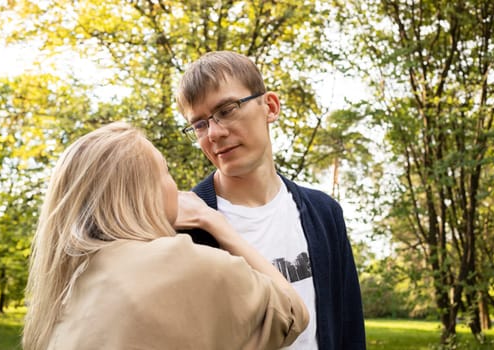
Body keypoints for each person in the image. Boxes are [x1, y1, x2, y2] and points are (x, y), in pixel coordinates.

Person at [22, 122, 309, 350]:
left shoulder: (70, 283)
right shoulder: (181, 261)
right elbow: (292, 313)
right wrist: (217, 224)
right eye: (166, 172)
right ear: (144, 192)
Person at [176, 51, 366, 349]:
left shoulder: (324, 213)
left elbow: (349, 328)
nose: (213, 133)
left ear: (270, 107)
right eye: (199, 124)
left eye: (226, 110)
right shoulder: (185, 228)